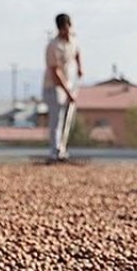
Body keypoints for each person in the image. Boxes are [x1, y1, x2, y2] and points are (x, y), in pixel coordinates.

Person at [44, 13, 83, 161]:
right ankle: (54, 151)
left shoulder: (72, 41)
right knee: (57, 120)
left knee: (67, 119)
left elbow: (77, 52)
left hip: (69, 84)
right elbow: (55, 72)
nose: (67, 31)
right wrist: (67, 92)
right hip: (54, 87)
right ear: (60, 29)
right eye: (65, 28)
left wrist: (80, 67)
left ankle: (62, 149)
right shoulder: (53, 46)